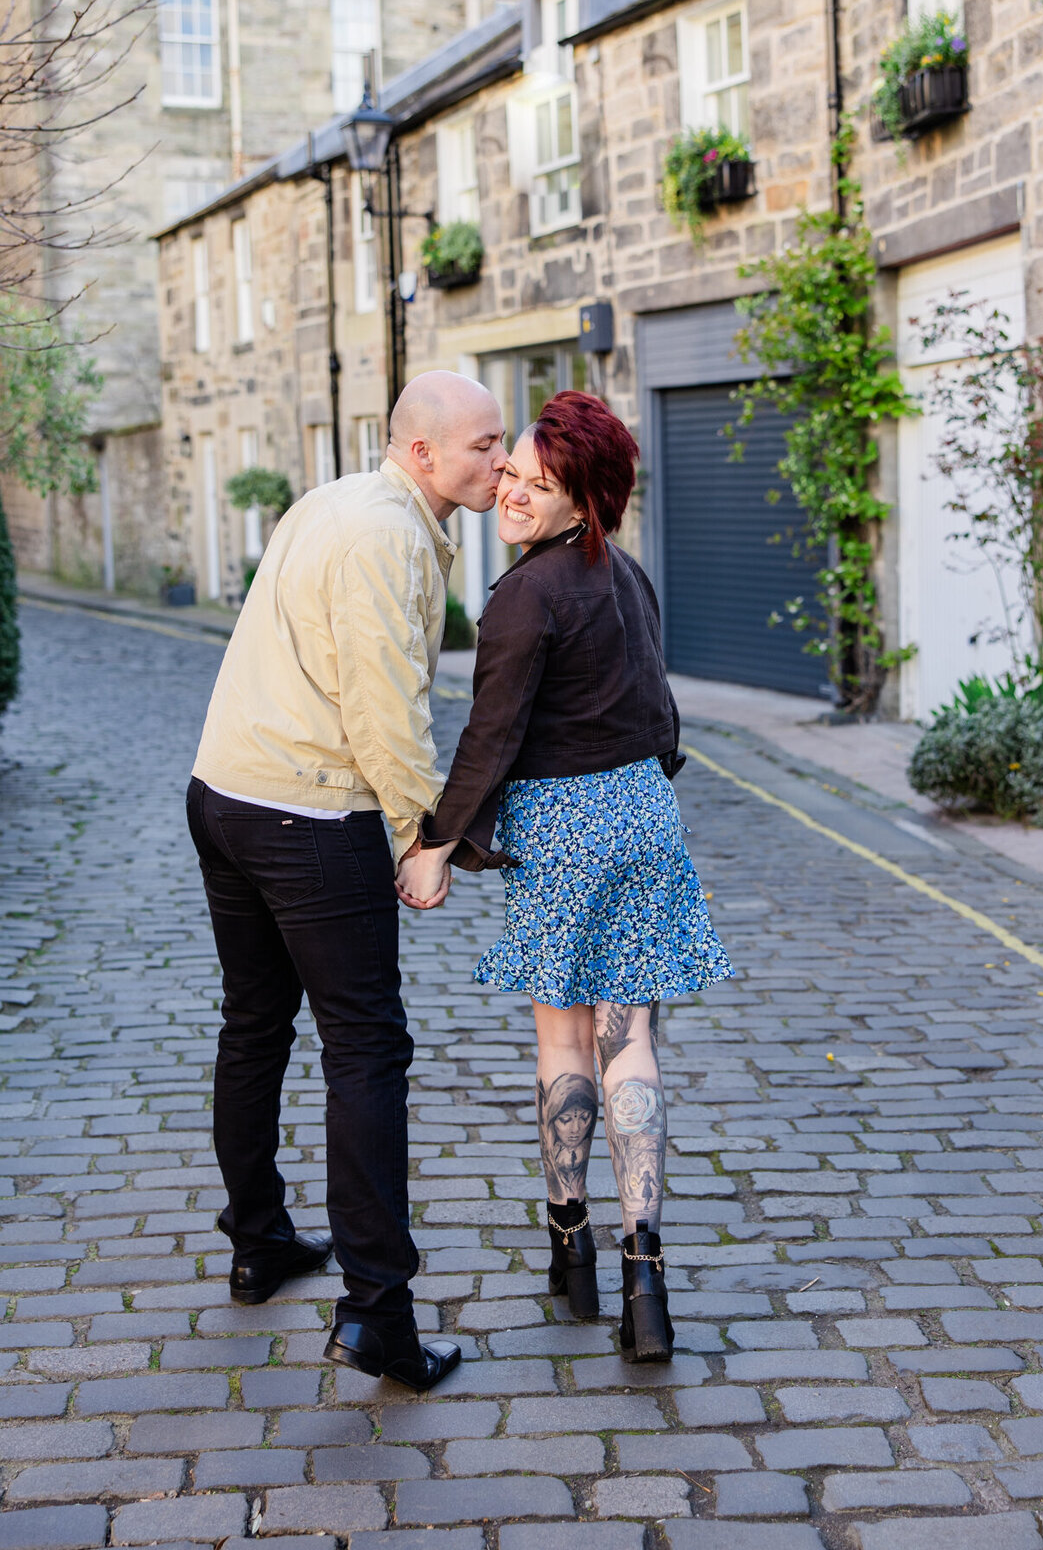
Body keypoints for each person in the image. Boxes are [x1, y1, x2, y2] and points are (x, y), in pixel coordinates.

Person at [186, 370, 507, 1392]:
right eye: (483, 446)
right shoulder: (388, 537)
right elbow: (384, 712)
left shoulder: (333, 501)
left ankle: (260, 1242)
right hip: (308, 814)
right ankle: (379, 1315)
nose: (502, 462)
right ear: (423, 452)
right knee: (366, 1050)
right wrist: (429, 837)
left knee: (255, 1023)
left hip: (224, 794)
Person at [398, 390, 731, 1362]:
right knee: (635, 1047)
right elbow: (660, 715)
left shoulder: (522, 598)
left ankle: (569, 1244)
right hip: (644, 816)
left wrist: (434, 844)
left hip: (564, 829)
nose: (512, 491)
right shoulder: (627, 576)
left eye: (539, 484)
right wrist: (639, 790)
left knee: (564, 1046)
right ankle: (647, 1280)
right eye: (512, 472)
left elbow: (489, 739)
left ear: (585, 497)